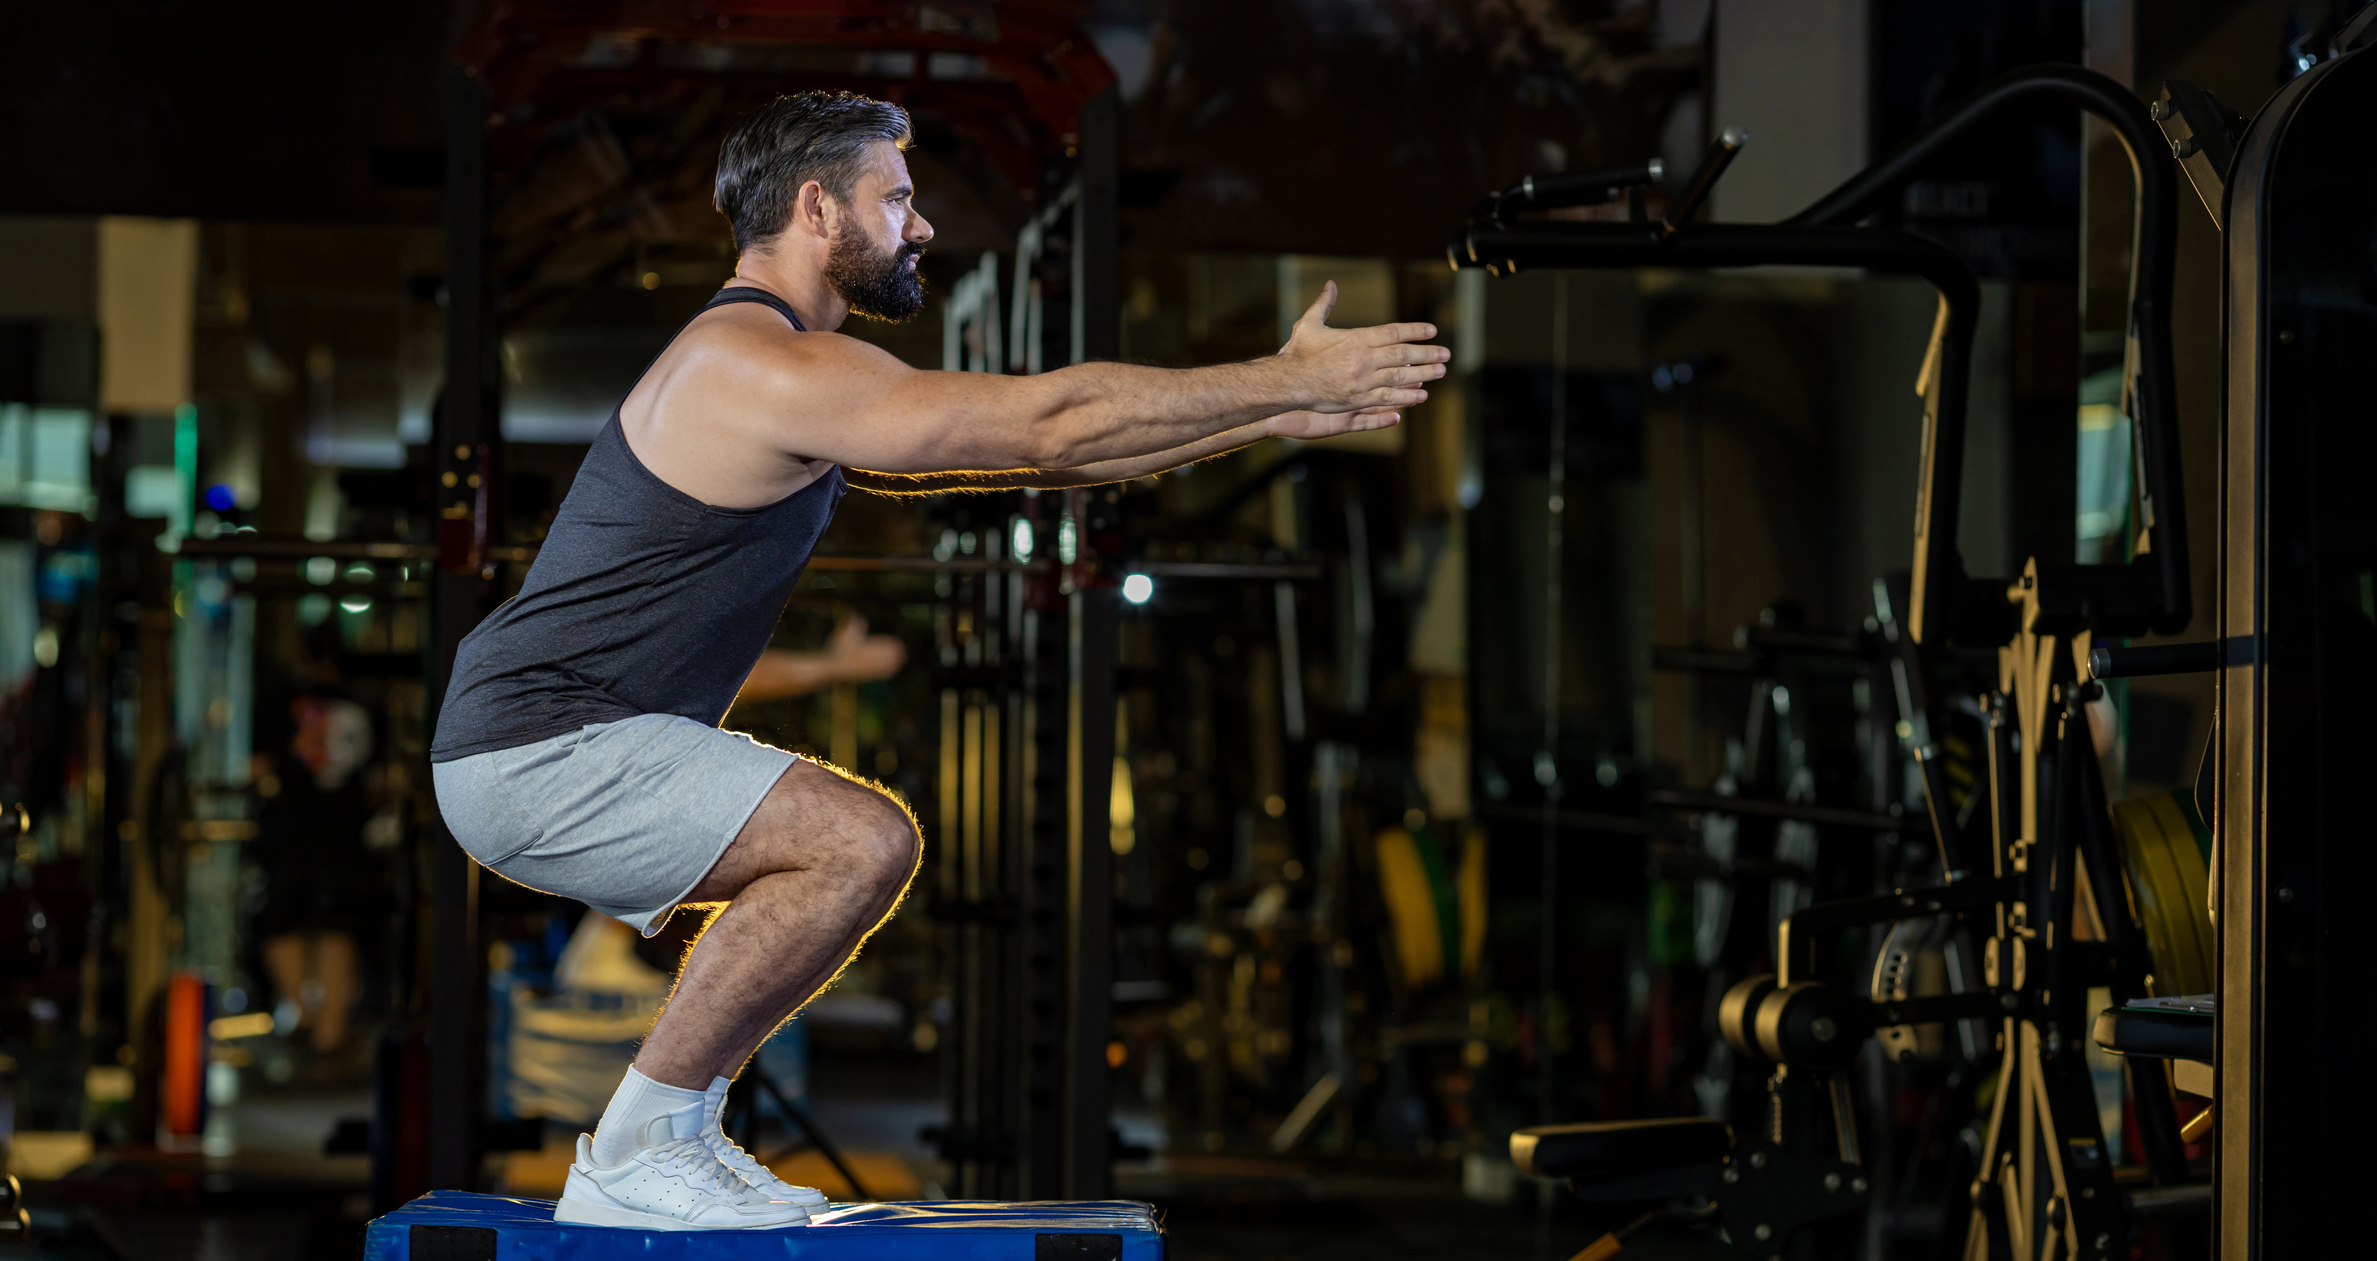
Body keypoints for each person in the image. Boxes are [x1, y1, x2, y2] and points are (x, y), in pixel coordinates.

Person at [429, 89, 1445, 1231]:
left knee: (844, 848)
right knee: (857, 842)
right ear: (817, 207)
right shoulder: (757, 363)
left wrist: (1263, 418)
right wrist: (1282, 378)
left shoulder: (784, 363)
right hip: (540, 746)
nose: (919, 227)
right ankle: (641, 1144)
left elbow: (1044, 462)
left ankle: (660, 1137)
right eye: (895, 198)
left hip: (548, 742)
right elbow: (1053, 422)